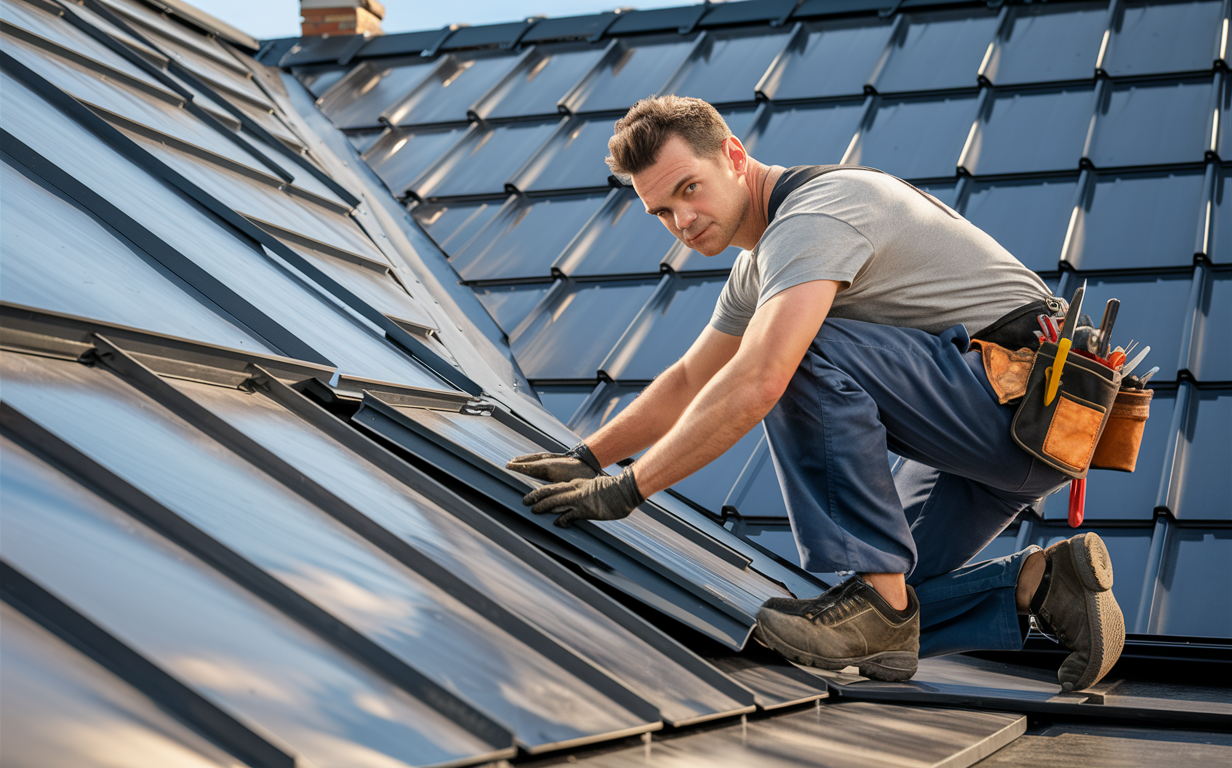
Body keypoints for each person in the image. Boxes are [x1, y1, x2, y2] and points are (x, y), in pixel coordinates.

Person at [507, 95, 1124, 691]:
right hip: (1005, 435)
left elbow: (761, 378)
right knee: (862, 610)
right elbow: (692, 378)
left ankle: (878, 609)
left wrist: (630, 487)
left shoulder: (812, 219)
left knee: (793, 353)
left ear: (733, 154)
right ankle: (1042, 583)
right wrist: (590, 457)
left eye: (688, 188)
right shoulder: (760, 266)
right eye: (662, 212)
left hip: (1022, 412)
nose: (682, 221)